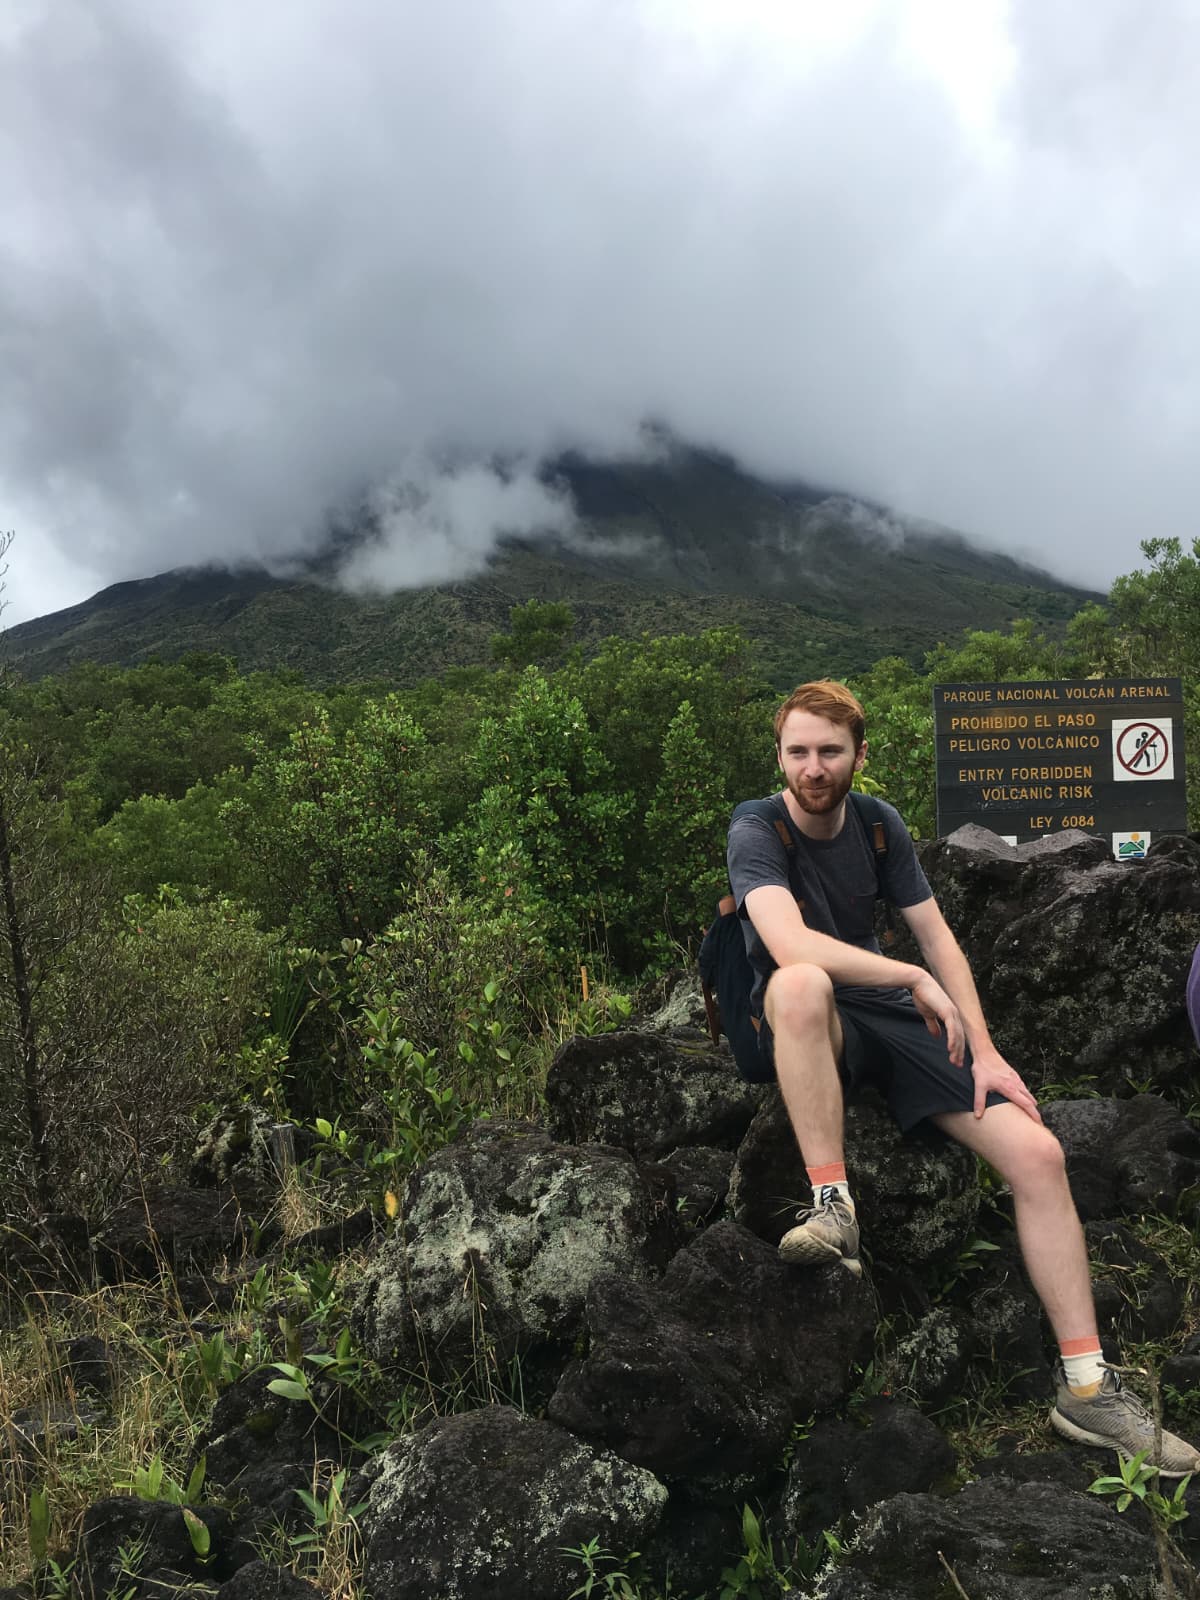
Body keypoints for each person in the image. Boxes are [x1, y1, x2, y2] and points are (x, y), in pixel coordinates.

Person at [726, 678, 1200, 1475]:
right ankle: (833, 1204)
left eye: (830, 751)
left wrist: (984, 1050)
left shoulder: (878, 825)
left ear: (859, 756)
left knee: (1040, 1155)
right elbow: (789, 943)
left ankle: (1087, 1387)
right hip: (807, 1015)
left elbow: (939, 937)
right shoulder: (757, 826)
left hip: (888, 1017)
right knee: (801, 984)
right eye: (798, 751)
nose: (813, 767)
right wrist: (910, 978)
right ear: (779, 755)